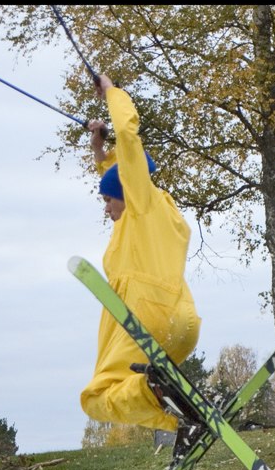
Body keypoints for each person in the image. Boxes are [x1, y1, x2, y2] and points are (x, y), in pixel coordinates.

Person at [80, 73, 202, 448]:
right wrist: (100, 149)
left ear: (126, 195)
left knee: (96, 398)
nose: (106, 210)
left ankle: (160, 400)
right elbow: (121, 175)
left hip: (145, 321)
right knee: (126, 386)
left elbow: (129, 142)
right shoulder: (161, 212)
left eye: (107, 202)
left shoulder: (138, 204)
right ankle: (181, 412)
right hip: (182, 323)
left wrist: (110, 92)